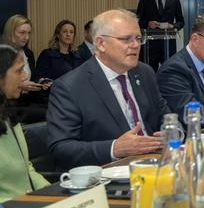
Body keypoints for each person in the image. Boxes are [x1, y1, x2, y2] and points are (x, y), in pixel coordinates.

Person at [47, 9, 167, 170]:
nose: (136, 45)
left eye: (138, 38)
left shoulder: (145, 73)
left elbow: (167, 116)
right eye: (126, 39)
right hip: (107, 177)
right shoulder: (70, 87)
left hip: (156, 164)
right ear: (101, 43)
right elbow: (61, 149)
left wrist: (172, 133)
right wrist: (114, 148)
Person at [0, 42, 49, 202]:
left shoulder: (7, 114)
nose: (25, 76)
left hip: (28, 207)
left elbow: (26, 167)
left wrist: (53, 195)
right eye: (19, 70)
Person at [136, 0, 185, 71]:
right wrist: (148, 23)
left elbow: (181, 21)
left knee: (169, 73)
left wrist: (174, 26)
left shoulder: (174, 0)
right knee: (148, 73)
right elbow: (137, 21)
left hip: (168, 44)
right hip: (149, 46)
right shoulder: (144, 0)